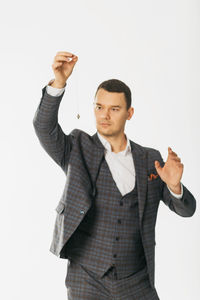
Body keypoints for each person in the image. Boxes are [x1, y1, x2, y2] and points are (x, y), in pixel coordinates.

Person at [32, 51, 196, 300]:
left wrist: (175, 186)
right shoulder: (77, 147)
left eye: (114, 109)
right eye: (99, 107)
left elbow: (187, 210)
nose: (104, 116)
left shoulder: (149, 160)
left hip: (136, 279)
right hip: (87, 277)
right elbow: (44, 128)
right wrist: (59, 83)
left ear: (129, 113)